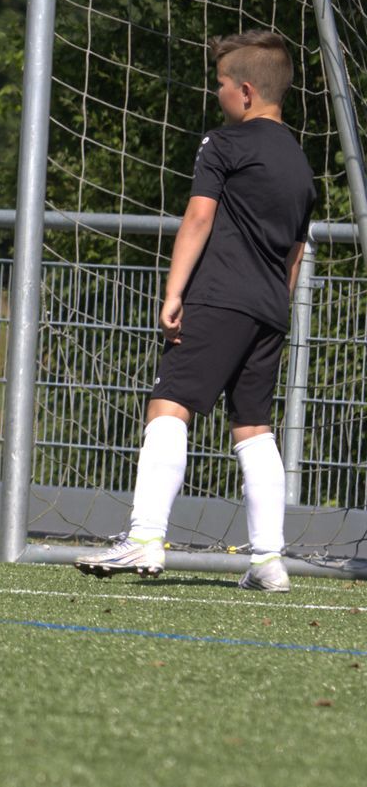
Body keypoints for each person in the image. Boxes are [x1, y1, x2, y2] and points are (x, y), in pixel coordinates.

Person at [75, 31, 316, 592]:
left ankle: (145, 537)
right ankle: (268, 561)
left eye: (221, 84)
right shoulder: (300, 163)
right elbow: (297, 251)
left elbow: (199, 218)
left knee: (169, 406)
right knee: (253, 427)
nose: (217, 93)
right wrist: (276, 303)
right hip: (269, 308)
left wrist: (173, 293)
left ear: (246, 92)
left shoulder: (223, 144)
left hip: (219, 296)